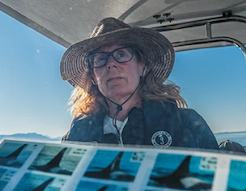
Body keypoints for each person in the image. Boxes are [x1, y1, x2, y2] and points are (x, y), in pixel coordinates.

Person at [59, 17, 218, 149]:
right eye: (100, 58)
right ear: (93, 77)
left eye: (121, 54)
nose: (111, 64)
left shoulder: (188, 125)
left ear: (142, 67)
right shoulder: (74, 139)